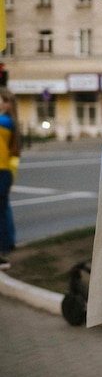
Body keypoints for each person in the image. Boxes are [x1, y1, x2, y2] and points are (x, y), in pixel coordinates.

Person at [0, 88, 19, 270]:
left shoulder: (4, 121)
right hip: (4, 171)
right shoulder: (8, 121)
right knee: (3, 209)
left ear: (6, 103)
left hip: (1, 170)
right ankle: (7, 243)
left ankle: (3, 250)